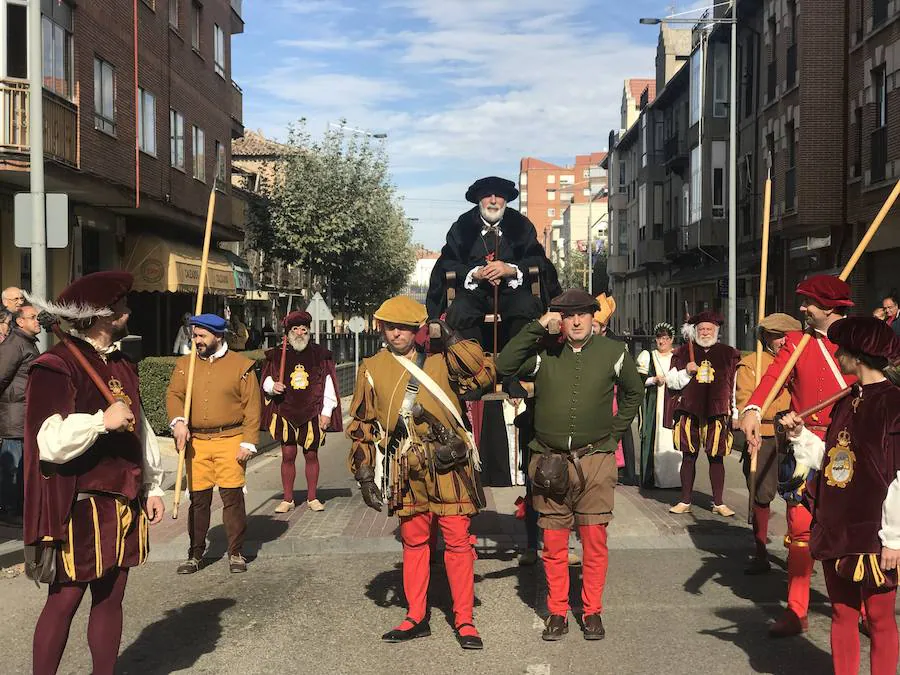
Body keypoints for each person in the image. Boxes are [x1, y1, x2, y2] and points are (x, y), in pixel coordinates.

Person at [23, 271, 165, 675]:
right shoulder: (55, 365)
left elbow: (141, 430)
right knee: (65, 599)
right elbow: (47, 441)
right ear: (103, 314)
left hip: (125, 498)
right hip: (79, 505)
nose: (128, 310)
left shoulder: (122, 364)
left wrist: (152, 485)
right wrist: (100, 422)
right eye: (122, 305)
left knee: (111, 597)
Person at [496, 289, 644, 641]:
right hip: (549, 462)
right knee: (554, 543)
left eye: (582, 314)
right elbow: (504, 365)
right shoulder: (545, 353)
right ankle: (558, 612)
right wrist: (536, 327)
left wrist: (614, 434)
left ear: (594, 317)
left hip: (595, 460)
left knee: (594, 542)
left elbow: (635, 392)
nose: (576, 321)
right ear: (559, 319)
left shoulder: (614, 352)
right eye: (567, 315)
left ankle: (592, 611)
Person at [347, 296, 491, 650]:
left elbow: (483, 375)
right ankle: (416, 615)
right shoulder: (371, 367)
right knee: (414, 542)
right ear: (381, 327)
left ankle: (465, 619)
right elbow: (362, 424)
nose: (395, 333)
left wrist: (454, 338)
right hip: (404, 464)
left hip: (449, 461)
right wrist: (364, 472)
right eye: (389, 326)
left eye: (404, 327)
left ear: (417, 329)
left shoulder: (443, 360)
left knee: (457, 542)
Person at [779, 316, 900, 675]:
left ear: (857, 356)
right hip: (835, 528)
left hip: (874, 534)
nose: (837, 355)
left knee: (879, 619)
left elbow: (899, 475)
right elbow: (835, 460)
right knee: (841, 614)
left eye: (842, 350)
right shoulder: (849, 400)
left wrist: (894, 538)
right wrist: (800, 435)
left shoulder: (894, 404)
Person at [739, 273, 856, 637]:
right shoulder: (795, 342)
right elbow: (772, 377)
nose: (802, 308)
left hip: (848, 449)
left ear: (830, 307)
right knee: (799, 529)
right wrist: (753, 410)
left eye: (808, 303)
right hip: (802, 444)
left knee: (857, 532)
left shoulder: (859, 341)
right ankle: (796, 610)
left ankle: (863, 607)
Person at [166, 314, 261, 574]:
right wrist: (179, 422)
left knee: (232, 499)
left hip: (230, 440)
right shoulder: (186, 365)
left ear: (218, 336)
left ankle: (236, 553)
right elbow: (175, 394)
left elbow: (252, 408)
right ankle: (195, 554)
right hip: (197, 442)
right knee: (198, 500)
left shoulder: (242, 366)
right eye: (194, 336)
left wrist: (249, 443)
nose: (196, 341)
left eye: (201, 336)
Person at [426, 176, 561, 344]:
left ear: (506, 200)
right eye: (487, 195)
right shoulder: (462, 226)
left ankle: (517, 361)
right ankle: (472, 362)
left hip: (512, 291)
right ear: (478, 199)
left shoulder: (521, 225)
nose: (493, 201)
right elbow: (447, 262)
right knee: (459, 310)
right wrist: (475, 273)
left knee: (527, 306)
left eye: (499, 195)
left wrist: (510, 270)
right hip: (472, 293)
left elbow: (537, 259)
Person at [734, 313, 801, 575]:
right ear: (765, 338)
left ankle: (800, 551)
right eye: (776, 336)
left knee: (800, 496)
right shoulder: (752, 364)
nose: (782, 341)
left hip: (796, 434)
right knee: (762, 494)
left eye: (787, 336)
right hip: (765, 433)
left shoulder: (800, 362)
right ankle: (760, 551)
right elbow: (745, 403)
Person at [260, 310, 341, 513]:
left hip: (312, 411)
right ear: (287, 332)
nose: (299, 333)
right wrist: (272, 387)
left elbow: (328, 383)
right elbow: (266, 379)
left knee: (311, 454)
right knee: (288, 454)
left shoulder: (319, 354)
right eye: (295, 329)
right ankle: (288, 499)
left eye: (303, 329)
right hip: (285, 410)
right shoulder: (276, 354)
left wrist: (327, 412)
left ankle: (312, 497)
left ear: (308, 331)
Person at [666, 311, 741, 517]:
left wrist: (735, 413)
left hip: (716, 412)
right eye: (701, 329)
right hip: (689, 410)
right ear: (695, 331)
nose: (705, 332)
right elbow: (671, 382)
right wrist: (686, 372)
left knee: (716, 457)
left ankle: (718, 502)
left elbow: (734, 386)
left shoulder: (729, 354)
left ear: (716, 331)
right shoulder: (682, 353)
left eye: (709, 329)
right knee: (688, 456)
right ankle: (685, 500)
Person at [0, 303, 41, 526]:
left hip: (25, 413)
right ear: (20, 321)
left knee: (23, 464)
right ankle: (8, 510)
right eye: (32, 317)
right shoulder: (14, 344)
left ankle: (18, 508)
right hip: (15, 413)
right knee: (13, 465)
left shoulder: (26, 343)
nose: (38, 321)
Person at [637, 322, 681, 489]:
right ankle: (653, 478)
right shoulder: (648, 356)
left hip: (674, 405)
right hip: (655, 406)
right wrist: (654, 380)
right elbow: (638, 381)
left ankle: (675, 479)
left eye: (665, 338)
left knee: (673, 440)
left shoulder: (677, 357)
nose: (662, 342)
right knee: (655, 438)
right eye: (659, 338)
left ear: (671, 339)